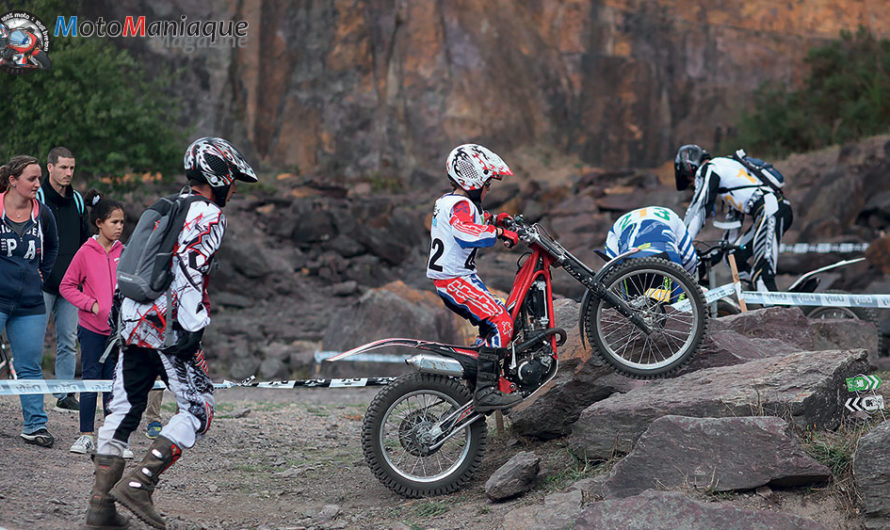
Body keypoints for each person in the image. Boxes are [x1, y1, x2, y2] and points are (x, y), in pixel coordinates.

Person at [85, 137, 257, 530]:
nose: (232, 189)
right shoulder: (208, 214)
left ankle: (99, 508)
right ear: (220, 175)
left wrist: (121, 313)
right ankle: (139, 485)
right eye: (232, 181)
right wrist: (193, 328)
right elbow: (190, 271)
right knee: (199, 408)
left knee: (123, 408)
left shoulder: (168, 204)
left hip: (131, 315)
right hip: (169, 323)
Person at [427, 143, 521, 413]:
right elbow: (466, 233)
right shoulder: (460, 205)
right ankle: (486, 391)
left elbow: (470, 219)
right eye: (487, 183)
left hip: (457, 279)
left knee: (494, 319)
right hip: (456, 281)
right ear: (472, 179)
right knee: (502, 322)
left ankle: (475, 371)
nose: (489, 189)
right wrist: (500, 233)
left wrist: (494, 219)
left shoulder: (450, 202)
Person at [675, 144, 793, 292]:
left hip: (771, 209)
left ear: (690, 168)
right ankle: (766, 296)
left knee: (763, 273)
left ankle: (776, 308)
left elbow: (699, 208)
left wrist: (682, 243)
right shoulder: (729, 178)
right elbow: (730, 236)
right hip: (771, 210)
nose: (693, 185)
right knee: (734, 258)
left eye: (690, 181)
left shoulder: (709, 168)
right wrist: (710, 260)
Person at [60, 191, 125, 455]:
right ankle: (86, 435)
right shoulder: (85, 253)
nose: (120, 227)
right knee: (90, 381)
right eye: (114, 222)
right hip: (91, 330)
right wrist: (91, 304)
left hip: (118, 332)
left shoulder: (125, 252)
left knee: (114, 383)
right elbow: (67, 286)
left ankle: (111, 437)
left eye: (122, 222)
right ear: (99, 223)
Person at [0, 155, 59, 447]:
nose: (38, 184)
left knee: (30, 366)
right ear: (13, 181)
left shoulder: (43, 214)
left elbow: (53, 248)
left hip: (30, 303)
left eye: (39, 179)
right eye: (32, 179)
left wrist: (42, 277)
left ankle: (35, 426)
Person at [37, 146, 89, 412]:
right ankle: (31, 394)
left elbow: (85, 242)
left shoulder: (78, 201)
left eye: (71, 168)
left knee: (68, 340)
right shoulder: (38, 198)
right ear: (50, 168)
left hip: (70, 285)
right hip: (42, 282)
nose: (68, 173)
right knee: (33, 340)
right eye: (63, 167)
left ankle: (65, 394)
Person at [606, 206, 698, 276]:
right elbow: (690, 258)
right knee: (676, 300)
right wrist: (689, 282)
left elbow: (610, 264)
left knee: (632, 300)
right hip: (667, 258)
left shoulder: (616, 225)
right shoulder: (672, 215)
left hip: (630, 264)